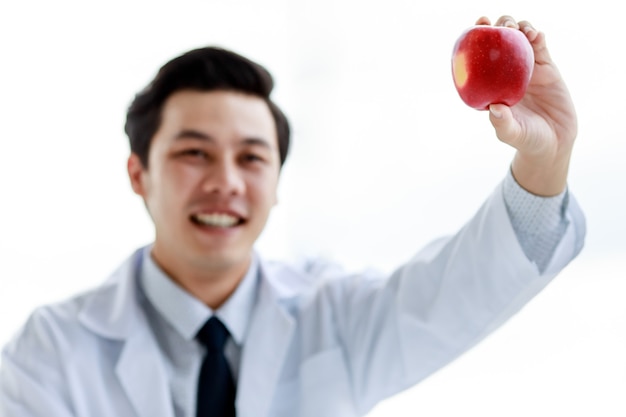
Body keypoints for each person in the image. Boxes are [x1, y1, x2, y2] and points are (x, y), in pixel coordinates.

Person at [0, 15, 585, 417]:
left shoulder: (332, 316)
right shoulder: (50, 354)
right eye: (193, 153)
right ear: (138, 175)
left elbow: (460, 289)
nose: (225, 182)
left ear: (277, 181)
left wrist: (545, 159)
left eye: (252, 157)